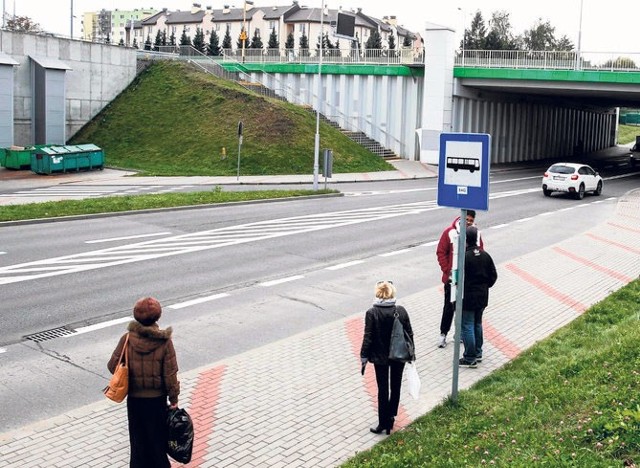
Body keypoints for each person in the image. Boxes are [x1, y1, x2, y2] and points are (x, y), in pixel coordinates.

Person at [108, 297, 180, 468]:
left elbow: (112, 367)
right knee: (157, 443)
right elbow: (170, 374)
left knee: (138, 444)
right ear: (157, 317)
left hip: (134, 401)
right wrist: (174, 399)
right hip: (156, 400)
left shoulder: (126, 339)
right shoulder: (164, 342)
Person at [360, 281, 414, 435]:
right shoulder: (400, 311)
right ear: (392, 294)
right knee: (396, 386)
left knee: (382, 389)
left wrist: (363, 356)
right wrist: (412, 353)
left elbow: (368, 337)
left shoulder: (372, 313)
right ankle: (391, 418)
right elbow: (409, 333)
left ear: (378, 294)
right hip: (399, 355)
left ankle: (382, 423)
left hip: (379, 357)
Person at [436, 209, 483, 348]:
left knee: (464, 308)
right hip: (452, 279)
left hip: (468, 280)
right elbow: (441, 252)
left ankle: (461, 334)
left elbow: (480, 252)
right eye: (466, 219)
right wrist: (448, 271)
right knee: (449, 307)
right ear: (461, 217)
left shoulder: (476, 234)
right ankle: (443, 334)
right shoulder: (450, 232)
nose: (468, 222)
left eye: (470, 220)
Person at [459, 226, 497, 368]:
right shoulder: (485, 255)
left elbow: (458, 278)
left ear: (465, 239)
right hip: (482, 296)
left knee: (467, 325)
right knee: (478, 323)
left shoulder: (464, 257)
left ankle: (470, 357)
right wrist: (485, 286)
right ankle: (478, 352)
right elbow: (494, 276)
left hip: (468, 296)